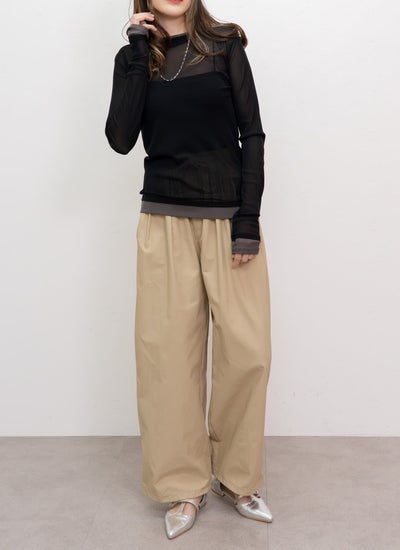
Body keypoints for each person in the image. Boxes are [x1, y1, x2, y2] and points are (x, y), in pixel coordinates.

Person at [105, 0, 273, 540]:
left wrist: (247, 219)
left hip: (228, 223)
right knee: (168, 359)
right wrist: (137, 49)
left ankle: (237, 478)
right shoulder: (134, 58)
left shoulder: (225, 47)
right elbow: (120, 138)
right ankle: (183, 485)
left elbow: (253, 134)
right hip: (163, 222)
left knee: (247, 353)